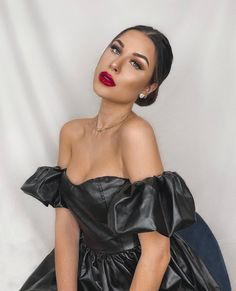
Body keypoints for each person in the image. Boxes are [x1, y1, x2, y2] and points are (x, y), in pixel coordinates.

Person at [19, 25, 221, 290]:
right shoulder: (71, 132)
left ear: (148, 88)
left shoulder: (136, 135)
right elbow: (67, 229)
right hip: (85, 267)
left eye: (136, 64)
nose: (115, 64)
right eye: (115, 49)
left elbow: (157, 253)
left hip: (141, 274)